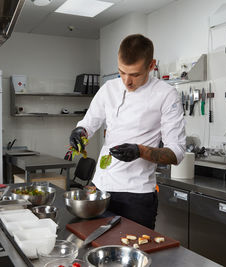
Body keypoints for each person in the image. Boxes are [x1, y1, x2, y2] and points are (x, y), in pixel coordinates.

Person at [69, 34, 186, 230]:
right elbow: (88, 124)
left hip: (137, 195)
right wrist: (79, 132)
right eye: (122, 72)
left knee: (134, 253)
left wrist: (140, 151)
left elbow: (177, 152)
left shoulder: (166, 95)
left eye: (135, 74)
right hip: (101, 187)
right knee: (95, 251)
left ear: (151, 66)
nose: (127, 81)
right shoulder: (108, 89)